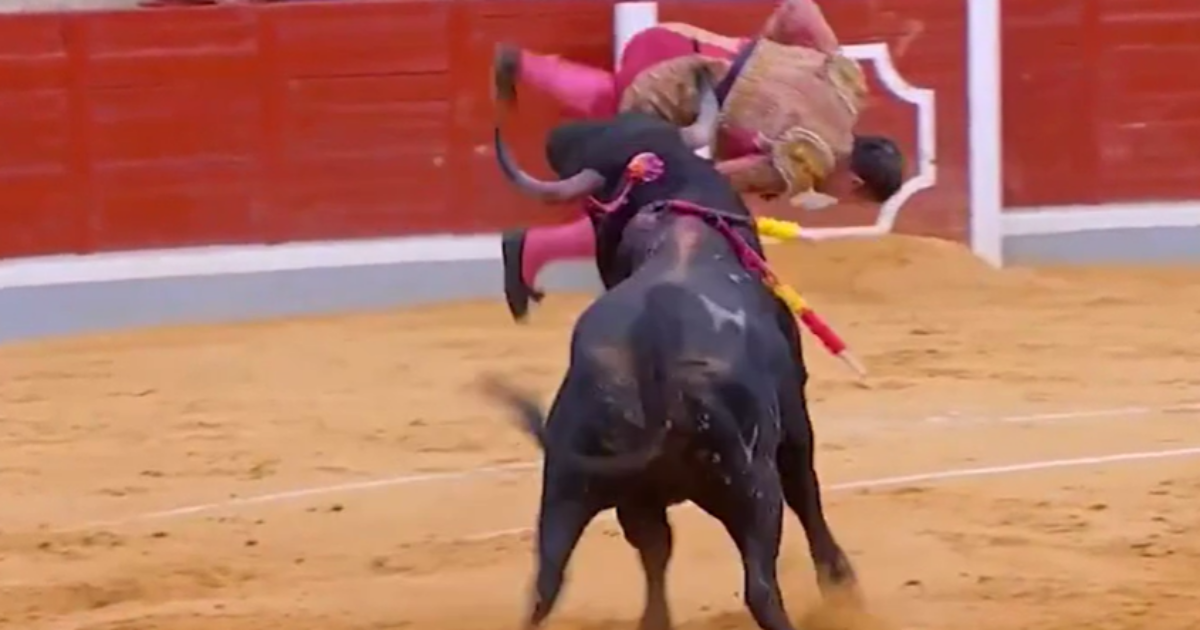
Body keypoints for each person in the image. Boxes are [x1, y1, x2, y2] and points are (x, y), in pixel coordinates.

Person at [496, 0, 905, 321]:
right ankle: (534, 249)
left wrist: (761, 56)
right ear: (855, 182)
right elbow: (710, 180)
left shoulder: (847, 85)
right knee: (652, 200)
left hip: (671, 42)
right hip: (669, 87)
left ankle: (525, 66)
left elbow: (798, 8)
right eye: (849, 198)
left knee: (613, 100)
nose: (836, 198)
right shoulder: (804, 162)